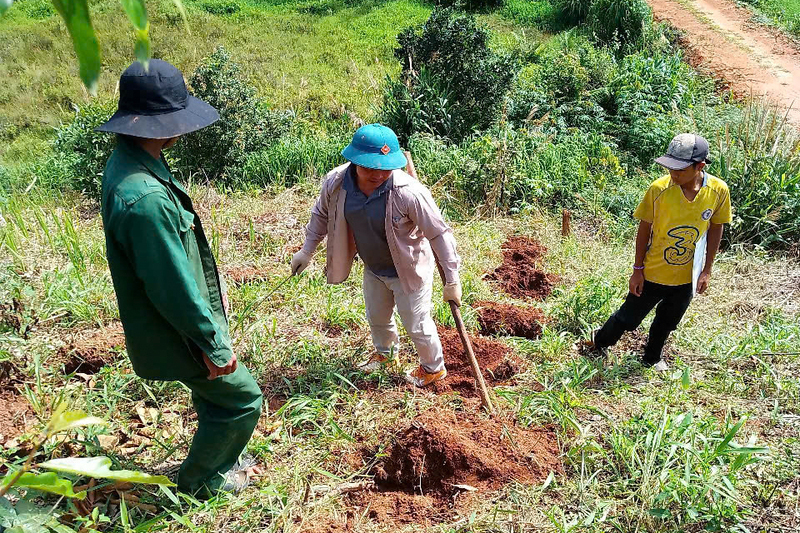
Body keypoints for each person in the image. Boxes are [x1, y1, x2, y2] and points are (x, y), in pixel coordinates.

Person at [97, 60, 263, 497]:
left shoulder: (129, 165)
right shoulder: (146, 197)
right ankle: (202, 482)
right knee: (242, 399)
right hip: (178, 328)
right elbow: (170, 283)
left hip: (173, 322)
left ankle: (217, 459)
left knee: (215, 395)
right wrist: (211, 341)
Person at [291, 124, 461, 387]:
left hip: (409, 269)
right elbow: (321, 216)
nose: (378, 174)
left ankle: (433, 369)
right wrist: (306, 250)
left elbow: (439, 234)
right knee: (378, 318)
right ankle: (386, 356)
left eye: (384, 167)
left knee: (417, 325)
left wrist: (452, 280)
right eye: (370, 166)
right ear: (355, 161)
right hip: (373, 267)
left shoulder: (408, 192)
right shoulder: (337, 183)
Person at [587, 133, 732, 371]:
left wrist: (707, 270)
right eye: (670, 168)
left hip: (687, 276)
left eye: (680, 170)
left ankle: (652, 358)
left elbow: (717, 227)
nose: (673, 174)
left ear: (700, 166)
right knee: (628, 318)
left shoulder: (718, 191)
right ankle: (599, 341)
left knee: (667, 322)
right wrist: (637, 270)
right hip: (653, 271)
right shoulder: (659, 190)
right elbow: (644, 229)